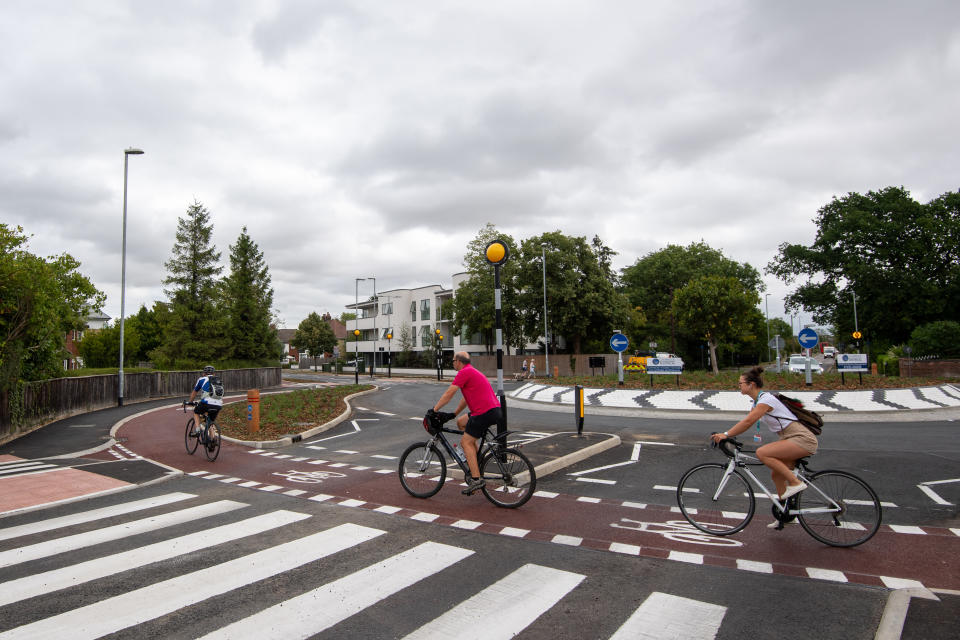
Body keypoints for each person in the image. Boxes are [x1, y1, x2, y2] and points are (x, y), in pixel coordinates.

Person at [710, 366, 818, 528]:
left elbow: (748, 422)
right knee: (777, 474)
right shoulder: (758, 402)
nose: (738, 386)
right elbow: (747, 423)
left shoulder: (765, 400)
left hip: (801, 438)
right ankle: (785, 514)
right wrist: (730, 434)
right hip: (789, 437)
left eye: (740, 383)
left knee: (763, 453)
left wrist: (726, 434)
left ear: (751, 384)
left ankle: (795, 483)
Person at [433, 351, 502, 495]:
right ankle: (475, 461)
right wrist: (453, 414)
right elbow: (466, 398)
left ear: (458, 361)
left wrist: (434, 410)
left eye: (453, 361)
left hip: (484, 412)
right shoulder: (472, 371)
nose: (452, 363)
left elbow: (449, 393)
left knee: (466, 443)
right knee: (461, 422)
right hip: (491, 410)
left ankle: (476, 479)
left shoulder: (464, 372)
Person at [188, 365, 224, 448]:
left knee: (196, 412)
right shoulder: (218, 380)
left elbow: (194, 392)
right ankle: (213, 439)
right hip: (218, 404)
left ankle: (197, 431)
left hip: (206, 402)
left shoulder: (201, 379)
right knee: (210, 421)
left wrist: (190, 402)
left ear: (204, 373)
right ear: (214, 373)